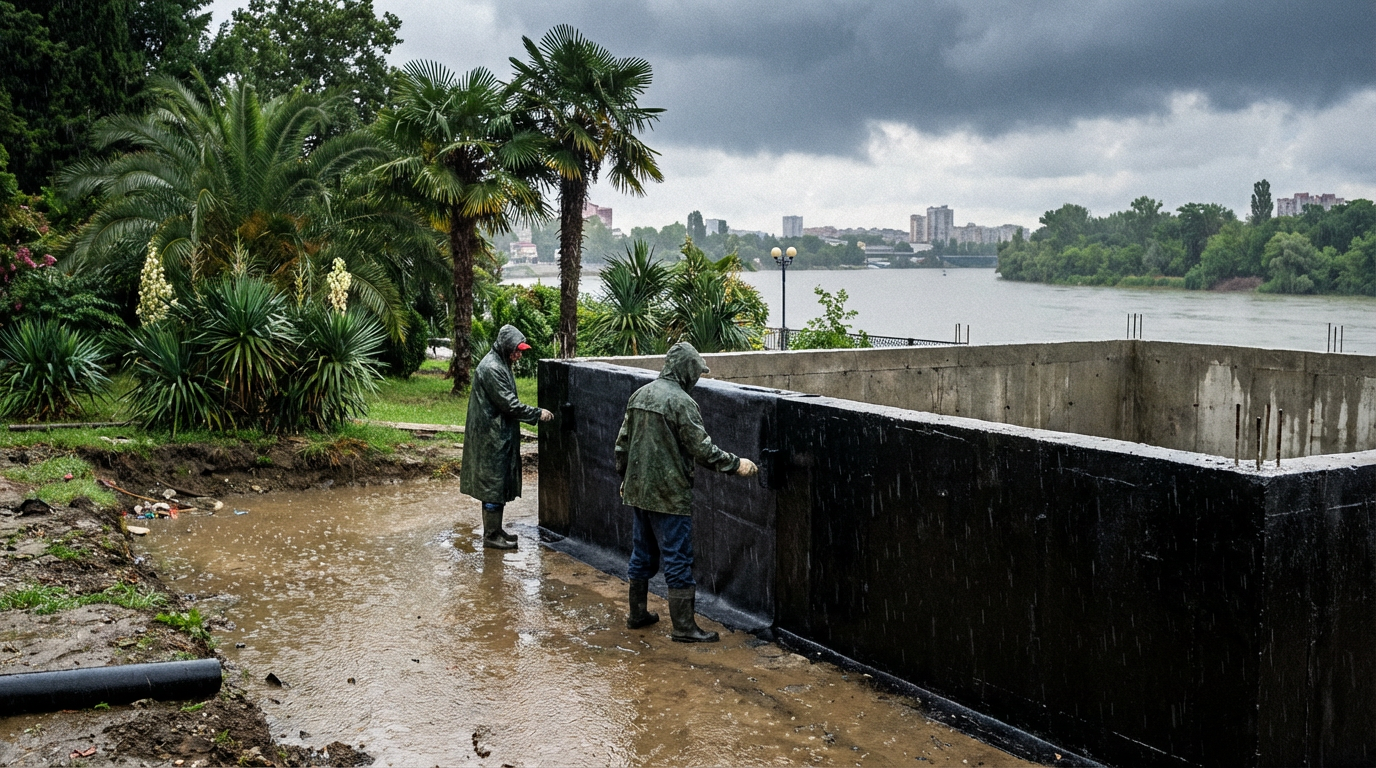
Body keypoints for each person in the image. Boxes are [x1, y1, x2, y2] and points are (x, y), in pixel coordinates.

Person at [614, 341, 759, 642]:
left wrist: (626, 478)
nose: (697, 378)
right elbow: (702, 450)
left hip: (639, 492)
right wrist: (737, 465)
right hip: (669, 495)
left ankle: (636, 614)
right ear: (687, 371)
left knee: (641, 553)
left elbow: (622, 445)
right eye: (697, 372)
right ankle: (683, 628)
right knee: (678, 557)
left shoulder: (639, 395)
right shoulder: (682, 403)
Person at [460, 324, 552, 549]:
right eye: (517, 350)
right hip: (490, 438)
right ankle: (491, 536)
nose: (519, 355)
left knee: (497, 485)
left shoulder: (501, 363)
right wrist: (537, 413)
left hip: (497, 434)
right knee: (493, 485)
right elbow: (509, 404)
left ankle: (496, 530)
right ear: (506, 347)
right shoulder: (492, 368)